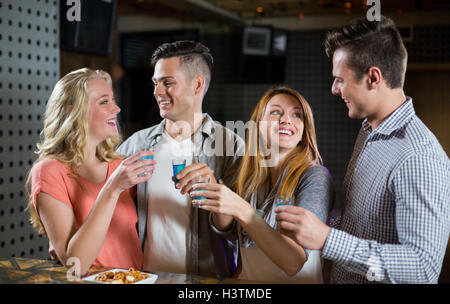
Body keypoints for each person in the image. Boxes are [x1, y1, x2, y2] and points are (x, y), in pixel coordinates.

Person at [275, 16, 450, 283]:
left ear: (373, 78)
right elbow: (365, 226)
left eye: (340, 80)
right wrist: (319, 223)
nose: (334, 89)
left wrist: (326, 238)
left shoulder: (418, 157)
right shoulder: (369, 131)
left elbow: (422, 267)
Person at [117, 41, 245, 278]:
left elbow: (238, 231)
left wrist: (216, 192)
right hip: (145, 279)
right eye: (156, 83)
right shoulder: (136, 145)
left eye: (168, 83)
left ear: (197, 84)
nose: (157, 92)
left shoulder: (232, 147)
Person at [191, 87, 334, 283]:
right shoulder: (250, 175)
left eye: (297, 115)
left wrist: (242, 209)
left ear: (303, 132)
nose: (286, 119)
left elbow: (294, 262)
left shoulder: (314, 176)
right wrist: (215, 190)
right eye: (276, 112)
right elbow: (231, 233)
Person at [26, 68, 155, 276]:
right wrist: (112, 189)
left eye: (113, 99)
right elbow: (74, 267)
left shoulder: (119, 165)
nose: (117, 109)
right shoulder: (49, 171)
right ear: (73, 111)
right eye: (104, 102)